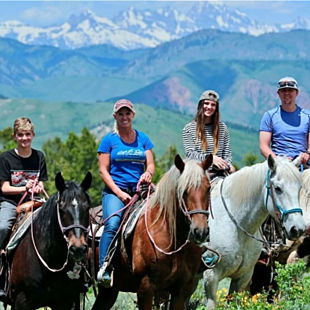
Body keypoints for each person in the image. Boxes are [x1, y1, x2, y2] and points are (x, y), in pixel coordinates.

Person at [97, 99, 155, 287]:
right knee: (113, 224)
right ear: (115, 116)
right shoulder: (109, 140)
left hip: (140, 190)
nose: (124, 117)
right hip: (115, 192)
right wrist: (118, 193)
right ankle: (104, 267)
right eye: (120, 114)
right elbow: (103, 171)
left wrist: (147, 173)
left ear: (133, 115)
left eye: (127, 113)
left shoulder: (143, 138)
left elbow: (151, 164)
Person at [0, 117, 48, 297]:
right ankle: (2, 266)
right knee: (3, 226)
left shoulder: (39, 156)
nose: (24, 138)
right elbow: (4, 187)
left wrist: (39, 187)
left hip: (34, 202)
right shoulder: (6, 158)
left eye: (27, 134)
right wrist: (23, 188)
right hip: (11, 202)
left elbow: (42, 182)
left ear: (33, 135)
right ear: (14, 136)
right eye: (20, 135)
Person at [182, 89, 235, 174]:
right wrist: (210, 159)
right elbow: (190, 154)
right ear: (200, 105)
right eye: (206, 103)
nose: (209, 107)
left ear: (216, 108)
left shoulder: (223, 128)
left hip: (219, 173)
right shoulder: (189, 128)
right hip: (198, 173)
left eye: (213, 105)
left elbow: (227, 154)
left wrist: (228, 165)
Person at [260, 76, 310, 163]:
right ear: (278, 93)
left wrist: (307, 154)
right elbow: (264, 146)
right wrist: (277, 160)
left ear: (296, 93)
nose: (286, 93)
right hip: (278, 164)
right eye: (283, 91)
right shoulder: (269, 116)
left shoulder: (308, 116)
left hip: (302, 163)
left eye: (290, 90)